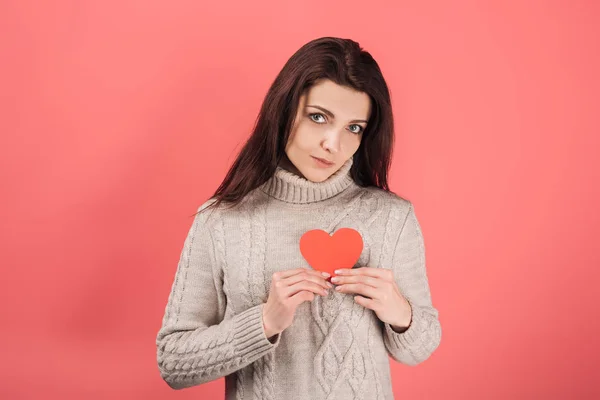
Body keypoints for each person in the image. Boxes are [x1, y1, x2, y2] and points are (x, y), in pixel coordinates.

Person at [155, 36, 441, 399]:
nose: (332, 144)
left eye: (354, 128)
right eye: (318, 117)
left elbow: (419, 348)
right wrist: (264, 323)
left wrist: (400, 312)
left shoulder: (391, 217)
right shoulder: (220, 221)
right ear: (284, 109)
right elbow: (173, 362)